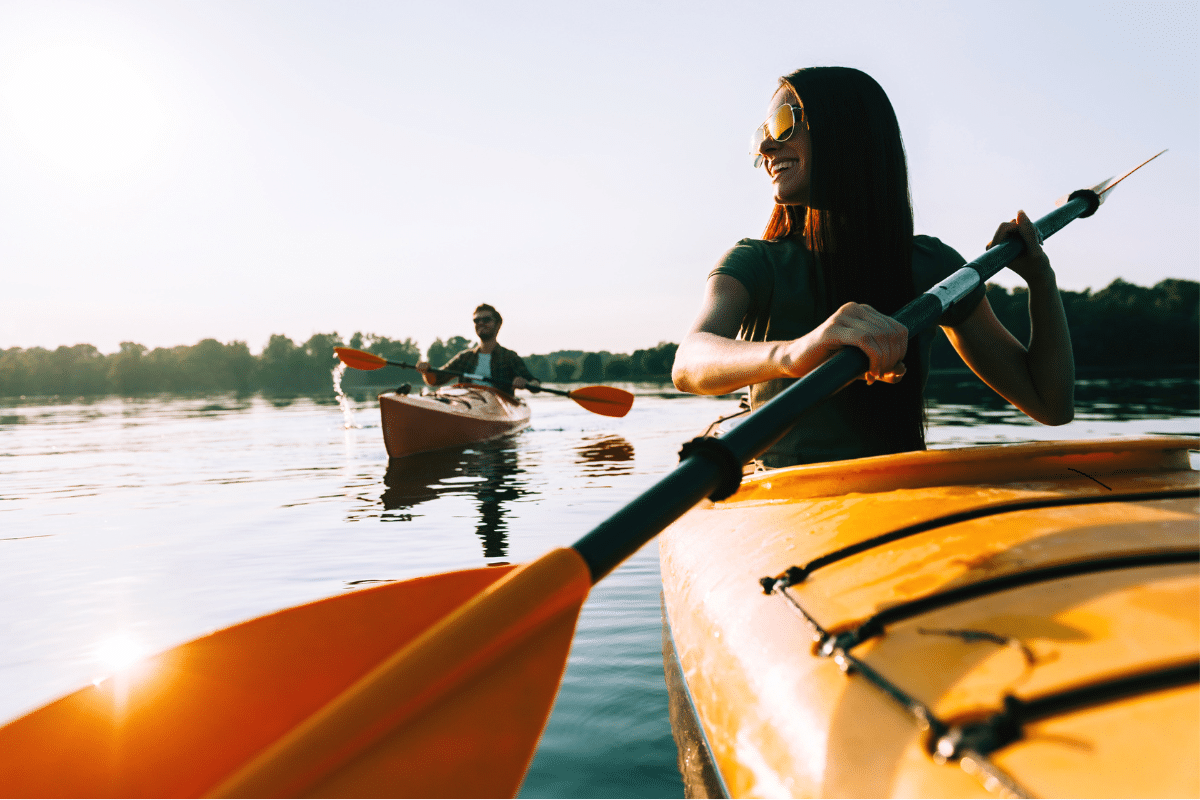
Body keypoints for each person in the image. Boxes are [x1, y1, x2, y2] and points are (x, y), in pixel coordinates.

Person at [672, 67, 1074, 468]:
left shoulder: (933, 266)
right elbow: (688, 364)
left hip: (900, 490)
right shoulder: (754, 262)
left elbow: (1051, 405)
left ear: (845, 130)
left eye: (782, 124)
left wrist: (1041, 279)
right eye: (763, 133)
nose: (766, 146)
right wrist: (795, 353)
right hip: (781, 494)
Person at [416, 303, 541, 396]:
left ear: (498, 324)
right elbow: (436, 380)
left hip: (497, 407)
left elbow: (534, 383)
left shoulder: (509, 357)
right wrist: (426, 371)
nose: (480, 323)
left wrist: (525, 383)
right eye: (477, 320)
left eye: (486, 320)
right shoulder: (465, 357)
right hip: (467, 403)